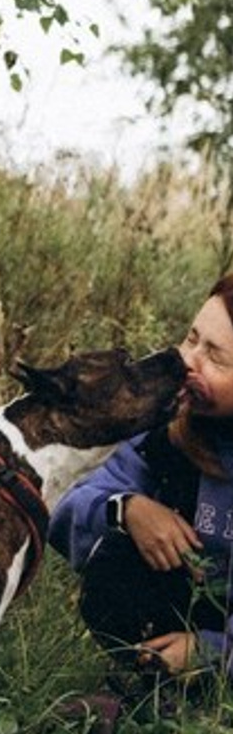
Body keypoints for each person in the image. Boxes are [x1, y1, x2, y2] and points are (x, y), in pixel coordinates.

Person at [50, 272, 233, 682]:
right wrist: (126, 509)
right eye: (191, 338)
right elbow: (66, 500)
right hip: (175, 618)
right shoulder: (167, 430)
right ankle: (153, 674)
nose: (189, 361)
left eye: (216, 357)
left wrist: (213, 653)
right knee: (114, 564)